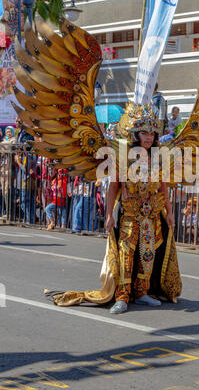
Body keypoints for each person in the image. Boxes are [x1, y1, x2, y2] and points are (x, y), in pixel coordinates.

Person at [49, 103, 182, 314]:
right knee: (125, 255)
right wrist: (109, 214)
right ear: (136, 134)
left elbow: (163, 188)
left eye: (152, 133)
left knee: (147, 254)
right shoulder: (123, 156)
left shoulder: (159, 157)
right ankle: (122, 296)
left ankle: (141, 293)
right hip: (129, 213)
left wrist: (170, 212)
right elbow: (113, 188)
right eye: (144, 133)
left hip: (151, 214)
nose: (148, 137)